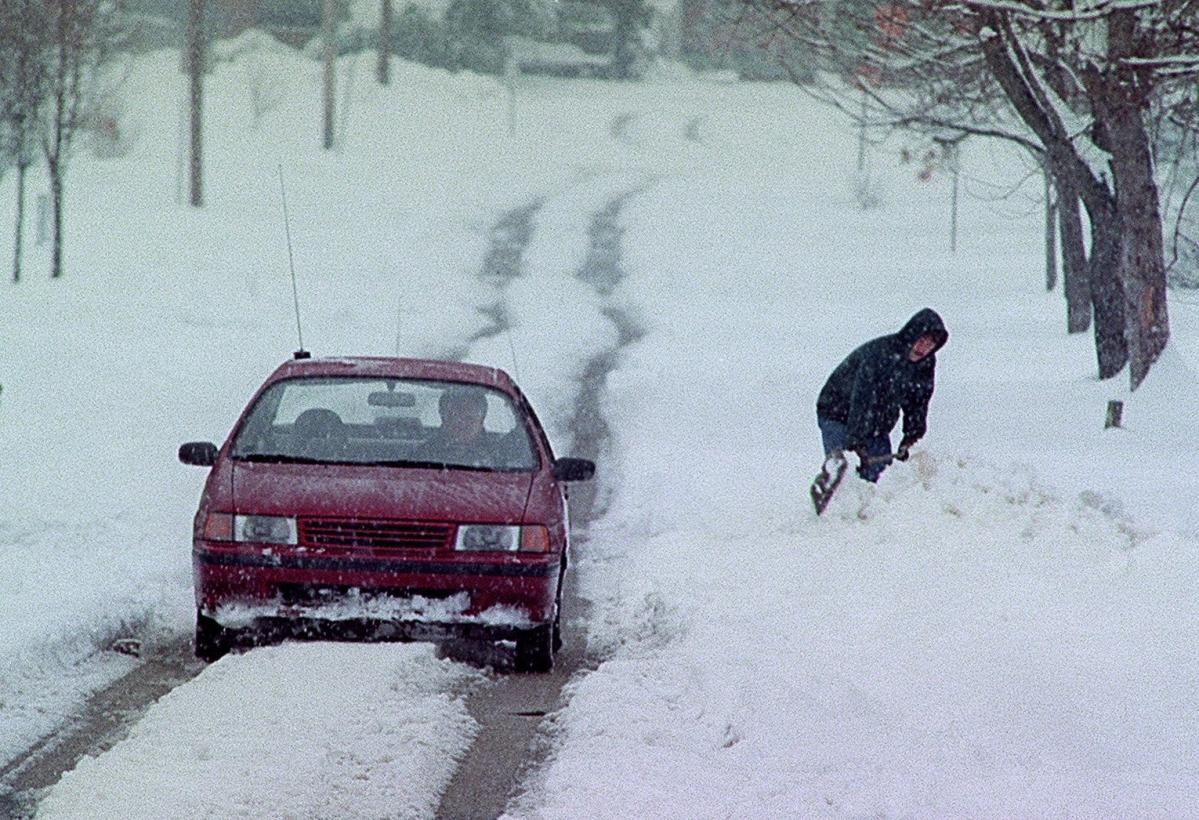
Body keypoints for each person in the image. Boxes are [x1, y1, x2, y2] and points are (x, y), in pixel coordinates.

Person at [816, 308, 948, 482]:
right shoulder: (880, 356)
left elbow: (918, 402)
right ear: (912, 335)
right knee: (846, 474)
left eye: (930, 344)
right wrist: (855, 443)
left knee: (881, 479)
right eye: (921, 340)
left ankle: (874, 509)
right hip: (838, 412)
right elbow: (862, 399)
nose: (923, 348)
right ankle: (837, 504)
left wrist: (911, 438)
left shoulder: (925, 364)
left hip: (878, 421)